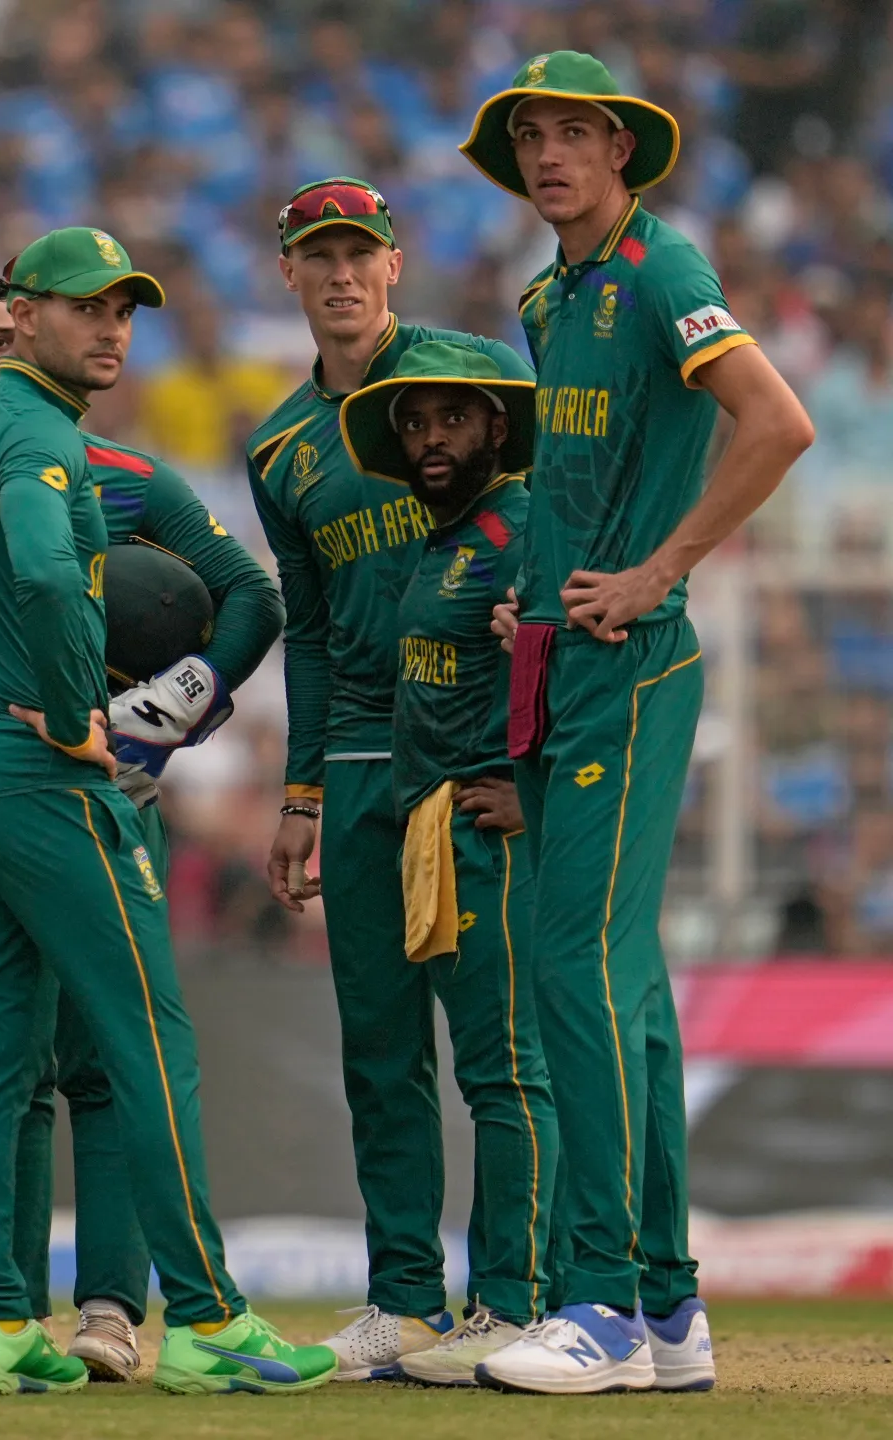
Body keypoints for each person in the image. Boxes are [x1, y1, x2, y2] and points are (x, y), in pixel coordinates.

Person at [0, 226, 333, 1397]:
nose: (111, 329)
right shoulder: (42, 434)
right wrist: (74, 713)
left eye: (124, 310)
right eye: (86, 307)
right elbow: (48, 574)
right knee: (149, 1038)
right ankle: (207, 1319)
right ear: (27, 314)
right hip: (37, 777)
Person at [458, 52, 813, 1394]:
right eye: (530, 137)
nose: (549, 155)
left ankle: (598, 1303)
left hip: (634, 663)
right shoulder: (549, 295)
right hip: (562, 660)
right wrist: (538, 591)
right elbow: (581, 475)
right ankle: (665, 1311)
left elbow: (776, 423)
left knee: (573, 969)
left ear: (621, 151)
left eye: (575, 133)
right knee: (630, 993)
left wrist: (662, 569)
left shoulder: (663, 272)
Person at [246, 177, 534, 1380]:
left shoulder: (476, 375)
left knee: (498, 1047)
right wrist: (300, 794)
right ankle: (405, 1302)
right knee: (378, 1047)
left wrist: (532, 733)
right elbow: (309, 634)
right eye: (319, 256)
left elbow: (547, 530)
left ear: (395, 264)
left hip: (469, 758)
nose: (342, 274)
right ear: (289, 275)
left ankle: (514, 1300)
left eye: (360, 252)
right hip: (361, 758)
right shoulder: (276, 447)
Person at [334, 340, 558, 1384]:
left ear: (498, 428)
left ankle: (515, 1305)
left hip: (487, 830)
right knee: (482, 1070)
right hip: (434, 826)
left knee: (506, 1071)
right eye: (416, 424)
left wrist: (533, 786)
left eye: (453, 419)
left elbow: (594, 645)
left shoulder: (525, 527)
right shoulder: (446, 538)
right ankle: (473, 1307)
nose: (431, 440)